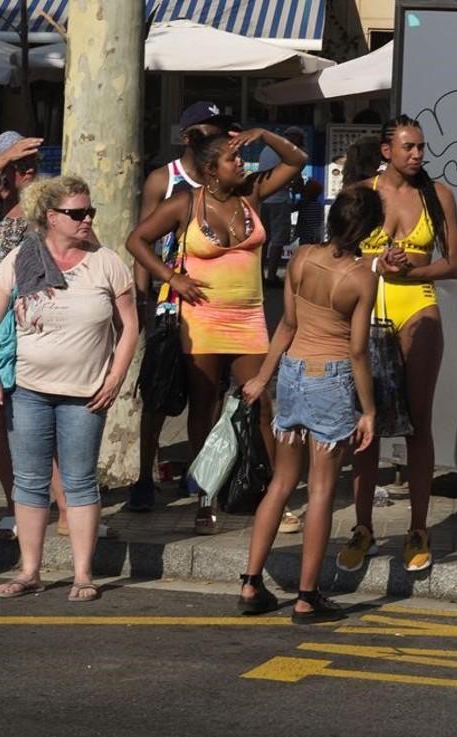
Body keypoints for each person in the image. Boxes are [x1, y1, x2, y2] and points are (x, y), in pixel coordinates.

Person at [126, 127, 308, 534]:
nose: (241, 163)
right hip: (202, 320)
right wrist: (171, 279)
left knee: (259, 404)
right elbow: (137, 240)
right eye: (232, 159)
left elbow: (296, 160)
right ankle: (205, 498)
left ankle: (271, 497)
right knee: (204, 410)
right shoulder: (184, 203)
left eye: (239, 157)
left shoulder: (252, 195)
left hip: (249, 319)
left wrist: (262, 134)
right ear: (211, 170)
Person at [0, 175, 138, 602]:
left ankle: (83, 574)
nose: (87, 219)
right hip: (28, 389)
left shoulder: (106, 262)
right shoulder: (20, 259)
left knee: (80, 481)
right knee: (29, 482)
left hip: (87, 393)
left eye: (90, 212)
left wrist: (116, 376)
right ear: (51, 217)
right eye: (77, 213)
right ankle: (29, 570)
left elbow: (130, 325)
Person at [238, 188, 380, 623]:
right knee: (320, 491)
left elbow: (288, 322)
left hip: (293, 372)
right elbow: (357, 350)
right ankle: (306, 595)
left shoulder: (301, 258)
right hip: (331, 377)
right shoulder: (361, 277)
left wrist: (264, 375)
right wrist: (368, 410)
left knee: (282, 483)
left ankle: (250, 582)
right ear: (370, 229)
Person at [335, 115, 457, 574]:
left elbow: (454, 262)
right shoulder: (358, 195)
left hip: (416, 305)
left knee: (417, 422)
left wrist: (409, 270)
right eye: (408, 147)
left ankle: (418, 527)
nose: (417, 155)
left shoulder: (437, 195)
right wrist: (376, 262)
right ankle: (364, 527)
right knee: (365, 425)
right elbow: (338, 253)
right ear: (386, 150)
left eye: (421, 147)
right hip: (367, 311)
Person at [0, 130, 80, 541]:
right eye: (18, 166)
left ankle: (64, 510)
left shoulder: (46, 210)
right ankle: (16, 507)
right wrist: (5, 158)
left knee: (48, 413)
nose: (28, 171)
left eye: (32, 164)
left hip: (42, 322)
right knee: (4, 419)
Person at [127, 101, 230, 513]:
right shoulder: (163, 180)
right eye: (209, 130)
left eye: (222, 129)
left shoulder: (227, 180)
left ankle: (199, 476)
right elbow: (141, 242)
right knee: (157, 394)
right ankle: (143, 475)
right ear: (188, 137)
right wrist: (142, 300)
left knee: (207, 396)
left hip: (215, 305)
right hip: (170, 307)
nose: (218, 136)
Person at [262, 126, 307, 285]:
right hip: (279, 200)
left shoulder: (266, 149)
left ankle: (259, 275)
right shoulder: (289, 152)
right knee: (278, 240)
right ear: (294, 138)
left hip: (263, 200)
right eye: (300, 140)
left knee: (263, 239)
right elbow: (296, 181)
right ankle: (272, 276)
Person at [295, 178, 326, 245]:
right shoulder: (319, 206)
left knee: (304, 250)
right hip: (317, 234)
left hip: (305, 234)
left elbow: (293, 208)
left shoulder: (303, 203)